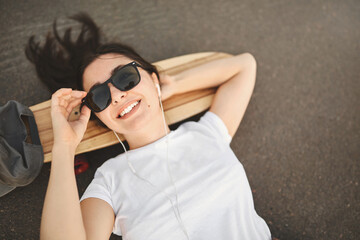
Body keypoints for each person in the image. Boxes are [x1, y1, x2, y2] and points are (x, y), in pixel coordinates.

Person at [26, 13, 271, 240]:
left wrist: (172, 84)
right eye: (100, 95)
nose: (117, 95)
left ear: (153, 80)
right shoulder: (109, 182)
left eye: (125, 77)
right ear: (100, 118)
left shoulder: (207, 134)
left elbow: (244, 65)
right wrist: (65, 148)